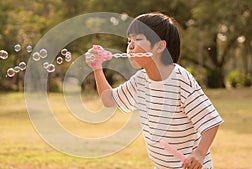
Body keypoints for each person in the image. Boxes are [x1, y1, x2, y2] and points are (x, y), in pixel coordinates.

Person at [85, 12, 223, 169]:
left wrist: (199, 154)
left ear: (159, 46)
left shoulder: (180, 80)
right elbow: (109, 100)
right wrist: (97, 68)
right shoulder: (141, 80)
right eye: (129, 40)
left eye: (137, 39)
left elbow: (210, 121)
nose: (130, 46)